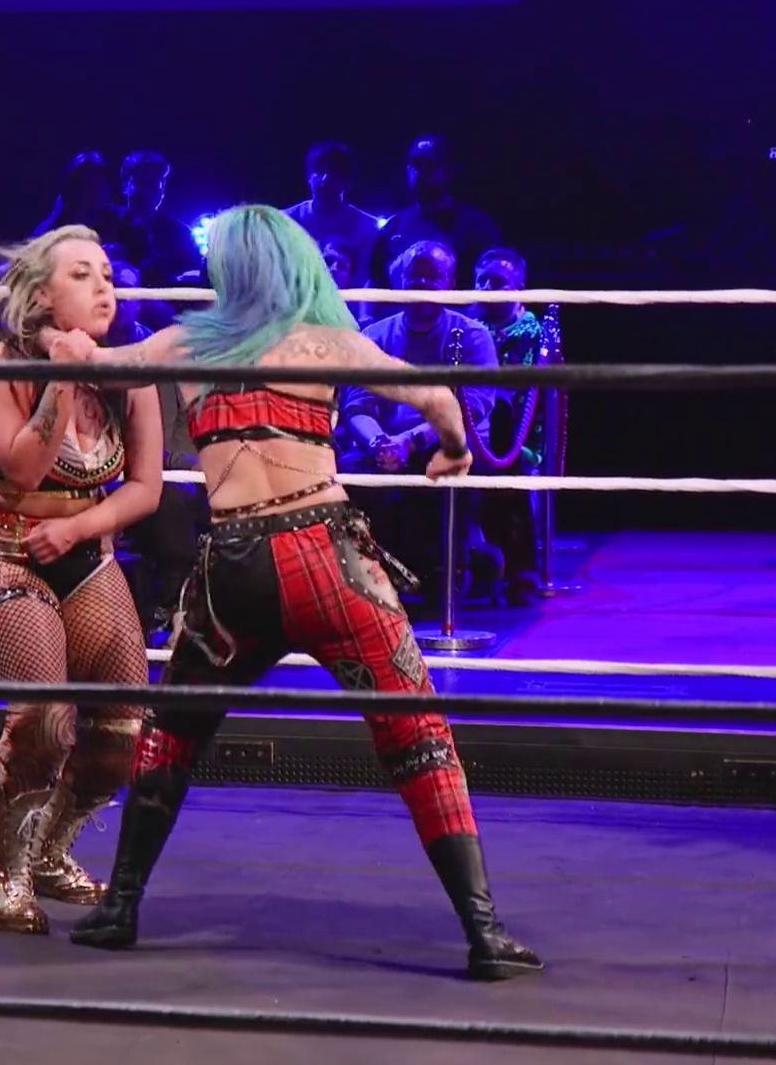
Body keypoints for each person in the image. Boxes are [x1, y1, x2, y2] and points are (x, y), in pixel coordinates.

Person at [62, 204, 543, 981]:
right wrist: (453, 454)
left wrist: (63, 334)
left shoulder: (184, 342)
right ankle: (484, 933)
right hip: (327, 555)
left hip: (234, 567)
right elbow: (441, 401)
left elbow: (97, 366)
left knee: (172, 731)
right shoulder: (325, 342)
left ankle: (119, 907)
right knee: (418, 734)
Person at [0, 224, 163, 934]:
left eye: (107, 273)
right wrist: (64, 374)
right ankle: (7, 876)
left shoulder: (130, 374)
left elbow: (146, 489)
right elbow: (22, 469)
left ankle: (49, 849)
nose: (105, 286)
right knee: (45, 714)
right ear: (42, 295)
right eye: (82, 274)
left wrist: (80, 528)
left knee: (125, 727)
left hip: (80, 549)